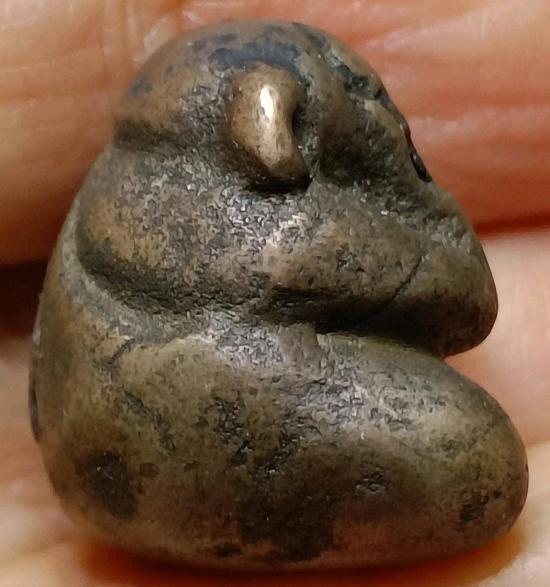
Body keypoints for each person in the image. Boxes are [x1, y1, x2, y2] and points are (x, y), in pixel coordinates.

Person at [0, 1, 549, 585]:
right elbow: (467, 295)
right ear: (269, 122)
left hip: (96, 485)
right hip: (177, 445)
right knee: (476, 457)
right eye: (360, 96)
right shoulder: (271, 224)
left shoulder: (131, 202)